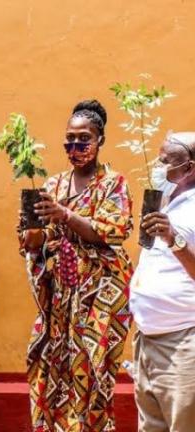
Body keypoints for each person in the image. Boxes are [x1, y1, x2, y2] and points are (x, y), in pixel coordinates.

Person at [20, 100, 133, 431]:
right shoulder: (52, 185)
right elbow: (31, 245)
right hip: (58, 300)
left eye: (84, 139)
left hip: (98, 298)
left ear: (101, 140)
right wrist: (34, 229)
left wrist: (65, 215)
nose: (75, 146)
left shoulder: (113, 183)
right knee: (49, 367)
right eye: (69, 139)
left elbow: (113, 231)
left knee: (91, 371)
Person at [130, 131, 195, 431]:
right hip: (148, 340)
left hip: (182, 343)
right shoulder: (165, 203)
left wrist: (173, 238)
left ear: (189, 169)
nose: (157, 166)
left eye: (165, 161)